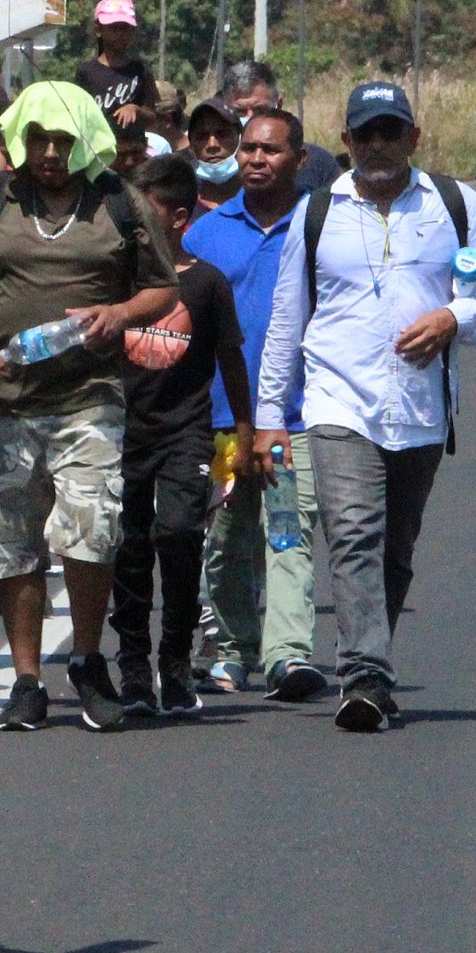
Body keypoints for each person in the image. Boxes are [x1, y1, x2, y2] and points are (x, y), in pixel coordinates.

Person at [255, 81, 476, 732]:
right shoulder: (317, 212)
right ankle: (366, 671)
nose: (378, 144)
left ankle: (367, 659)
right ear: (346, 143)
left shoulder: (451, 204)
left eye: (390, 131)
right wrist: (269, 414)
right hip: (337, 403)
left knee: (394, 548)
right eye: (365, 133)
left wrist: (455, 316)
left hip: (420, 411)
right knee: (352, 532)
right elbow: (287, 318)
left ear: (414, 137)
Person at [0, 79, 176, 735]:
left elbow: (162, 284)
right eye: (38, 138)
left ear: (85, 142)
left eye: (62, 140)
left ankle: (89, 658)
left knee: (91, 527)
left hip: (88, 396)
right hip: (3, 401)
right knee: (11, 543)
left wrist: (120, 313)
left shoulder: (118, 202)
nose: (48, 152)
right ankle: (27, 676)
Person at [188, 104, 327, 699]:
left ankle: (287, 656)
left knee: (288, 535)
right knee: (224, 540)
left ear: (299, 159)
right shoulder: (204, 234)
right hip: (221, 421)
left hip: (295, 419)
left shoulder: (320, 226)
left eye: (270, 151)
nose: (255, 160)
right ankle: (232, 650)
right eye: (248, 150)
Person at [110, 157, 251, 719]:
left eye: (147, 211)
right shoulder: (118, 280)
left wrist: (244, 430)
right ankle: (135, 668)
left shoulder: (207, 283)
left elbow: (231, 360)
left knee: (178, 534)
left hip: (186, 435)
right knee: (130, 547)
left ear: (180, 216)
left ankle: (175, 659)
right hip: (123, 433)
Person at [219, 59, 342, 196]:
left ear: (279, 104)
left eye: (260, 109)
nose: (251, 118)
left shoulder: (319, 164)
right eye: (240, 111)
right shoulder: (213, 166)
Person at [75, 0, 160, 130]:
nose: (120, 34)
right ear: (98, 30)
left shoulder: (140, 70)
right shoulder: (86, 72)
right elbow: (77, 116)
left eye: (125, 28)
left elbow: (153, 117)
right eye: (114, 28)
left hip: (132, 147)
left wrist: (135, 109)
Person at [185, 100, 243, 215]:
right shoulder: (181, 202)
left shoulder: (261, 200)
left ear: (241, 139)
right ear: (191, 146)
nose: (212, 145)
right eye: (202, 136)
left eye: (223, 134)